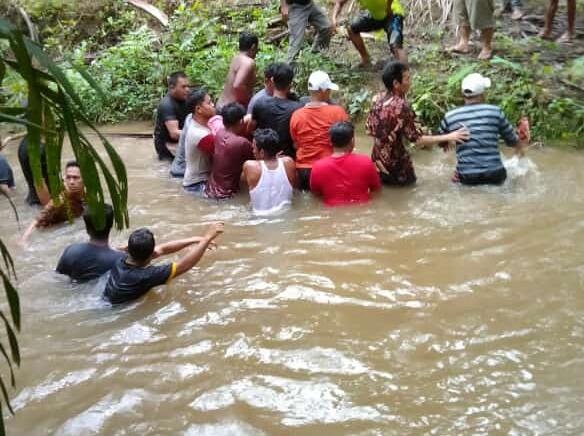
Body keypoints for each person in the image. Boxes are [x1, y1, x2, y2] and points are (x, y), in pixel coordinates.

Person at [366, 61, 470, 186]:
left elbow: (369, 129)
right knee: (406, 195)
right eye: (407, 79)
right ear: (396, 84)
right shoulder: (400, 106)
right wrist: (449, 136)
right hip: (397, 166)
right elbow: (416, 139)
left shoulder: (378, 99)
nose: (410, 82)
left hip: (377, 161)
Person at [438, 73, 529, 185]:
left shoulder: (450, 116)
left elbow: (440, 141)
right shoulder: (495, 112)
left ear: (463, 94)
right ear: (482, 94)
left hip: (467, 176)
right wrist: (523, 142)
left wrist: (447, 142)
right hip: (495, 174)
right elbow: (512, 141)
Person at [103, 222, 224, 304]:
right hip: (118, 309)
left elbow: (162, 249)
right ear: (151, 255)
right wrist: (207, 238)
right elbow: (185, 265)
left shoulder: (120, 259)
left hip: (106, 302)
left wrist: (195, 239)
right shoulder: (146, 275)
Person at [290, 71, 349, 190]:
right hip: (329, 167)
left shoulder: (296, 115)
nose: (330, 92)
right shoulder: (337, 112)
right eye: (328, 89)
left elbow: (296, 144)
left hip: (304, 170)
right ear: (323, 90)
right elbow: (348, 143)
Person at [310, 121, 381, 206]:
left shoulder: (318, 167)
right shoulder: (366, 162)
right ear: (352, 141)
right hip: (361, 209)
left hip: (333, 213)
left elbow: (316, 195)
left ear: (330, 142)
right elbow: (376, 191)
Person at [20, 160, 85, 244]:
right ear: (64, 179)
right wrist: (23, 240)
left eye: (76, 178)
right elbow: (36, 221)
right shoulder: (59, 200)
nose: (71, 182)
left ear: (84, 179)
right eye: (68, 177)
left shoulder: (88, 195)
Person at [56, 204, 124, 282]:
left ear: (87, 228)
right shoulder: (120, 260)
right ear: (111, 225)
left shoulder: (71, 251)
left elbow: (58, 278)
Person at [332, 0, 407, 66]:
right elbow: (339, 2)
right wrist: (334, 18)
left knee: (395, 45)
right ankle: (366, 60)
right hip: (376, 16)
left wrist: (388, 6)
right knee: (352, 29)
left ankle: (405, 73)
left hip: (392, 14)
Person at [252, 63, 303, 158]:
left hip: (264, 157)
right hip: (287, 159)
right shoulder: (298, 108)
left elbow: (252, 128)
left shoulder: (260, 103)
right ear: (290, 84)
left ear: (272, 80)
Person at [205, 103, 254, 199]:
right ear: (241, 121)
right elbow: (256, 161)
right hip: (226, 195)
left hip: (210, 190)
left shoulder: (219, 133)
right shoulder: (242, 143)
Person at [243, 129, 296, 214]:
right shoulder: (289, 163)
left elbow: (243, 185)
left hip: (260, 219)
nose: (253, 151)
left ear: (262, 152)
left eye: (254, 148)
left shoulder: (250, 166)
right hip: (285, 216)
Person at [182, 89, 216, 193]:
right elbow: (223, 155)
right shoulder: (200, 134)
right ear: (198, 109)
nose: (213, 105)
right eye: (209, 102)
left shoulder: (193, 121)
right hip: (197, 184)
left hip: (195, 181)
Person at [216, 32, 259, 111]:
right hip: (231, 112)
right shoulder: (248, 62)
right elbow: (237, 85)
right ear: (253, 47)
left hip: (221, 106)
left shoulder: (236, 58)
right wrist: (249, 100)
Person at [154, 72, 190, 161]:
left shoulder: (186, 98)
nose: (187, 89)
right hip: (167, 146)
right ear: (172, 87)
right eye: (183, 87)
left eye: (188, 86)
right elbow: (174, 134)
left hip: (181, 142)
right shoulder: (167, 105)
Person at [17, 137, 50, 205]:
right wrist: (54, 212)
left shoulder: (24, 142)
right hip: (42, 203)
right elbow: (39, 185)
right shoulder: (37, 149)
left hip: (33, 201)